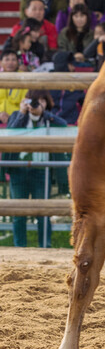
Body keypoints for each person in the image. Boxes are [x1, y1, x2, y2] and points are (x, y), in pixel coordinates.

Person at [2, 91, 67, 246]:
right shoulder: (18, 116)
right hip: (18, 171)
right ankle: (20, 248)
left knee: (43, 213)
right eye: (34, 101)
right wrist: (21, 113)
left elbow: (63, 124)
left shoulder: (50, 118)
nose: (37, 105)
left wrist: (44, 113)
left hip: (41, 170)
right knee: (19, 213)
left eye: (41, 102)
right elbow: (10, 132)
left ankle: (45, 246)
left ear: (47, 104)